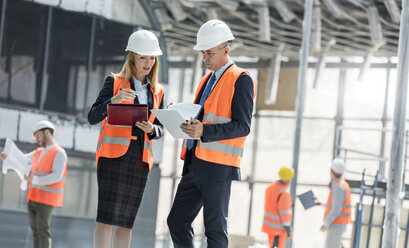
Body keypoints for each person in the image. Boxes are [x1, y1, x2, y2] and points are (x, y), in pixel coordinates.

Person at [167, 19, 256, 248]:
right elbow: (204, 114)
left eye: (210, 53)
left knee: (215, 231)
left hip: (218, 168)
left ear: (226, 50)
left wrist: (204, 130)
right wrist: (178, 114)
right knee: (176, 221)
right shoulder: (207, 79)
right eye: (203, 53)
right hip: (195, 163)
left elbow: (242, 126)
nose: (205, 58)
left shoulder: (241, 79)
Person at [87, 29, 165, 248]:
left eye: (152, 58)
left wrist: (151, 129)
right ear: (132, 57)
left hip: (139, 160)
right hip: (112, 157)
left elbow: (160, 130)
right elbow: (93, 116)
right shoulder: (114, 81)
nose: (148, 62)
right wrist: (114, 100)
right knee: (106, 218)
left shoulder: (158, 91)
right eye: (143, 57)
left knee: (126, 222)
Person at [0, 120, 68, 248]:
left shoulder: (59, 153)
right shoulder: (38, 152)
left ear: (46, 132)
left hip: (46, 199)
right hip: (33, 196)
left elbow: (57, 176)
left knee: (43, 230)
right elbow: (21, 159)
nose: (36, 139)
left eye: (38, 135)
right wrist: (7, 156)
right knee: (36, 231)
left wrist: (34, 179)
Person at [320, 158, 352, 248]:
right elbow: (335, 205)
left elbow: (337, 209)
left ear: (332, 171)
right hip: (338, 225)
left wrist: (326, 223)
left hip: (336, 225)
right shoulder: (342, 184)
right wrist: (322, 204)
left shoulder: (338, 187)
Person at [261, 166, 294, 248]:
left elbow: (273, 204)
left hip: (269, 226)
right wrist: (288, 231)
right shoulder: (284, 193)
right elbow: (285, 214)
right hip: (278, 229)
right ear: (288, 179)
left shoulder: (270, 187)